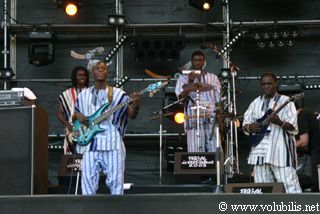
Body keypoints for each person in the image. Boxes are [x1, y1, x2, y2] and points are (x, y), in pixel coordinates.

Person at [72, 60, 140, 195]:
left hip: (113, 144)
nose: (101, 70)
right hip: (89, 144)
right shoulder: (83, 95)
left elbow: (132, 114)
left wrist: (137, 104)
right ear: (92, 72)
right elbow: (74, 116)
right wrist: (77, 115)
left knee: (116, 184)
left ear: (107, 73)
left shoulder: (118, 94)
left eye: (104, 68)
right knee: (87, 185)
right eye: (98, 68)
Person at [242, 72, 302, 193]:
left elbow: (293, 126)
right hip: (259, 151)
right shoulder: (255, 102)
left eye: (269, 83)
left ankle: (297, 209)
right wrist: (250, 127)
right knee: (263, 187)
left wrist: (279, 122)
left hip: (280, 150)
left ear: (276, 83)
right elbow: (245, 124)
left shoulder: (286, 101)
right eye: (264, 84)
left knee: (289, 184)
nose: (266, 86)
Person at [175, 50, 221, 152]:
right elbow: (180, 98)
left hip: (210, 117)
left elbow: (219, 98)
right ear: (192, 62)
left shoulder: (213, 77)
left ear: (204, 61)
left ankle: (216, 168)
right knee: (194, 150)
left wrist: (219, 114)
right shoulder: (183, 78)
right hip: (193, 118)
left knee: (214, 149)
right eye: (195, 60)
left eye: (200, 60)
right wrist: (190, 82)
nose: (198, 63)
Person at [56, 66, 89, 154]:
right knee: (72, 158)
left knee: (87, 156)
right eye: (80, 75)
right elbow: (59, 113)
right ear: (75, 77)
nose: (82, 77)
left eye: (84, 75)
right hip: (72, 130)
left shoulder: (91, 93)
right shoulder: (67, 94)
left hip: (88, 129)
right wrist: (68, 125)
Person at [295, 103, 320, 192]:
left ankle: (315, 204)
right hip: (316, 147)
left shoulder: (301, 115)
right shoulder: (310, 113)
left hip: (317, 148)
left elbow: (303, 142)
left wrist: (288, 147)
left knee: (317, 182)